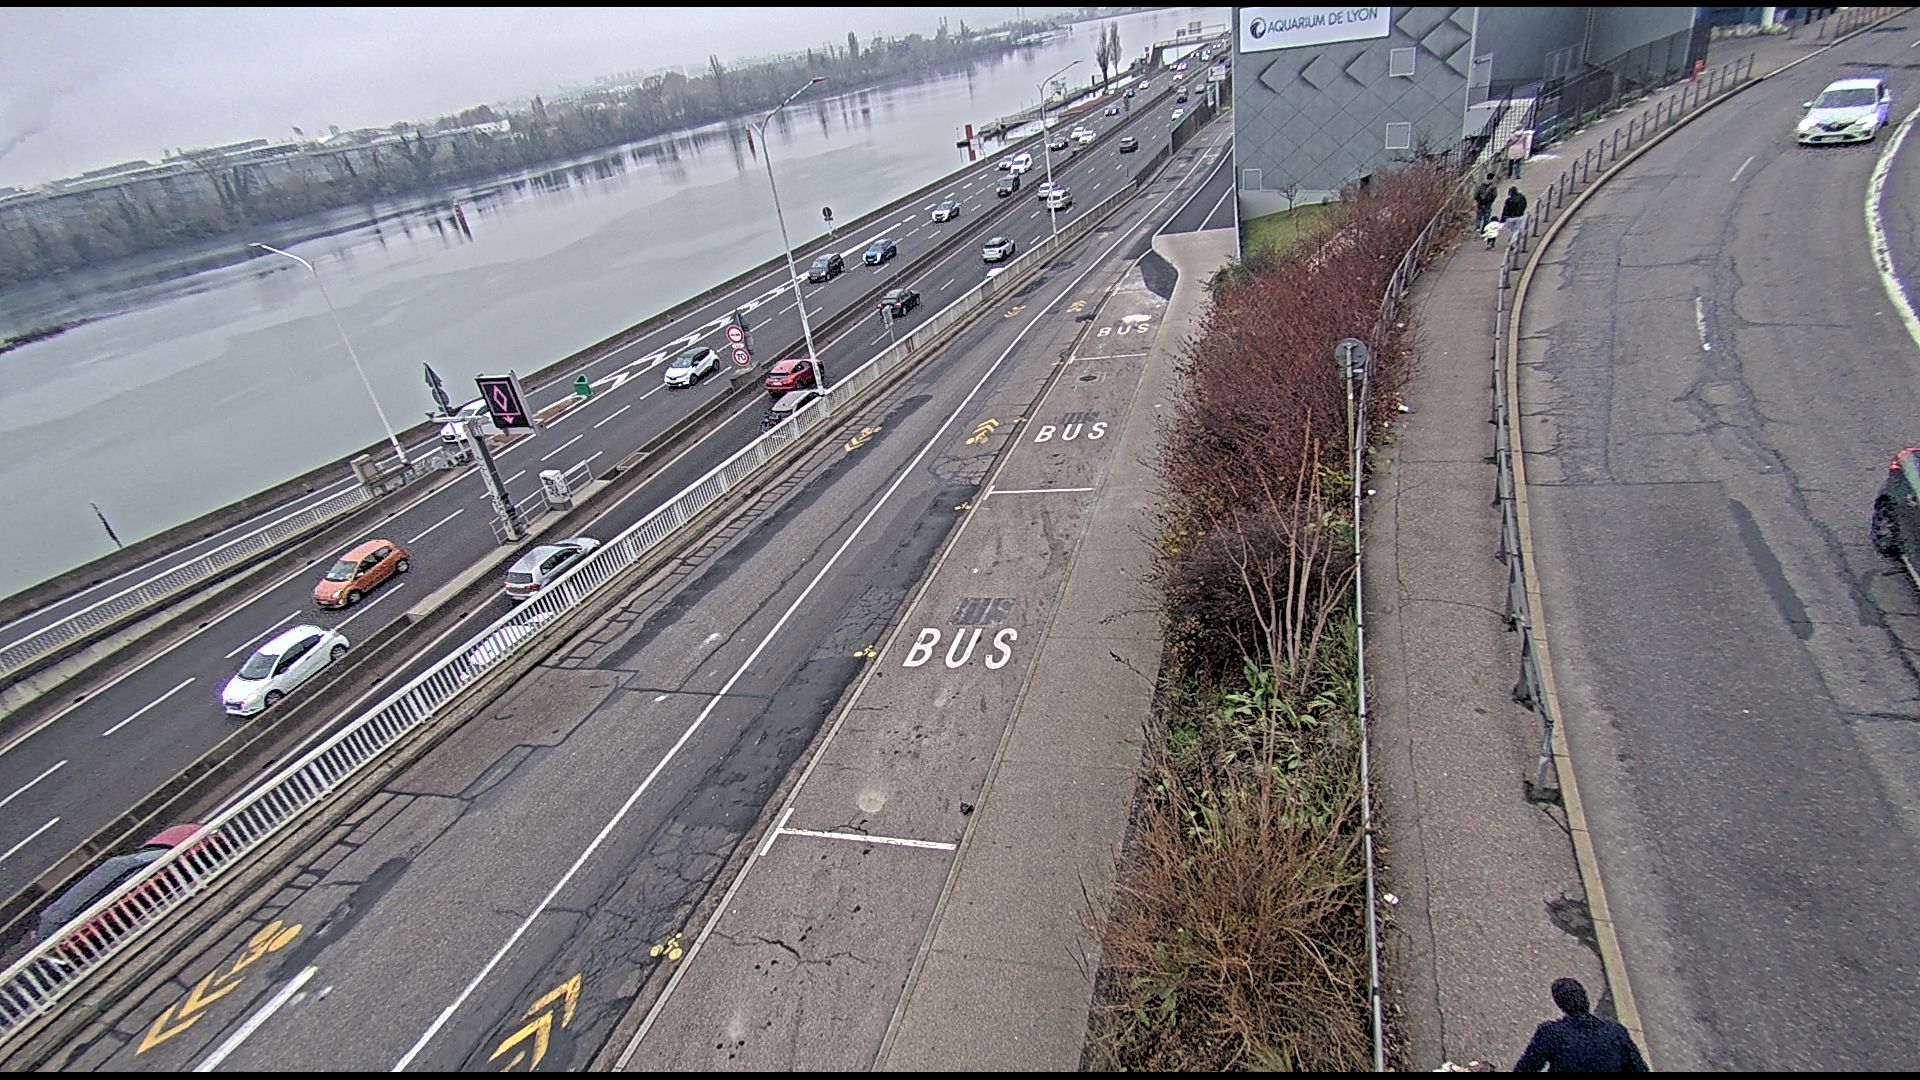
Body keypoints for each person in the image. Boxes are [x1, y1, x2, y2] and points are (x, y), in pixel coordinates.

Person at [1512, 977, 1649, 1072]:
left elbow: (1526, 1067)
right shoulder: (1616, 1031)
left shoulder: (1551, 1033)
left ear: (1561, 1005)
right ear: (1586, 1000)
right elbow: (1639, 1068)